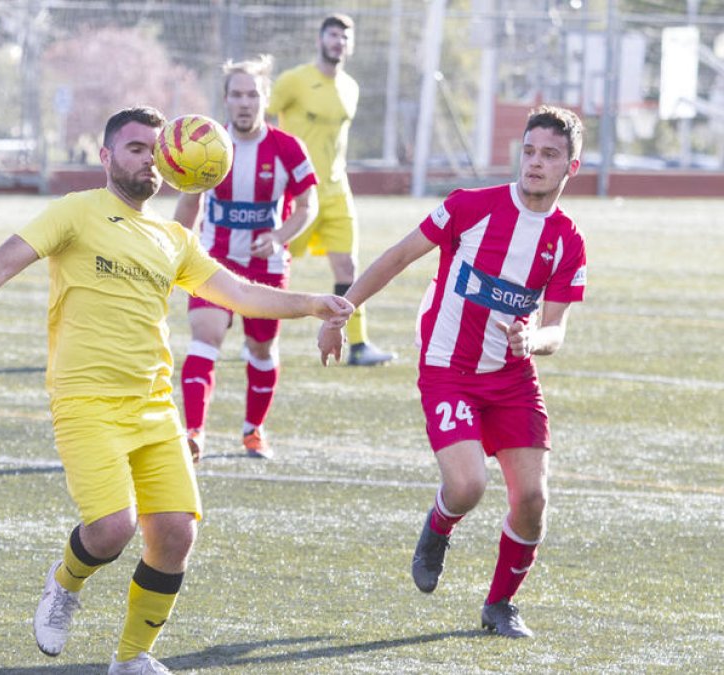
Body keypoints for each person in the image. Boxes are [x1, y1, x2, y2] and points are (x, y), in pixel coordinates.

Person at [0, 106, 352, 674]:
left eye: (156, 149)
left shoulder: (173, 237)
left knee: (176, 533)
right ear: (106, 157)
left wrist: (311, 303)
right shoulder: (76, 212)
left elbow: (239, 293)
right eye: (135, 148)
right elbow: (7, 259)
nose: (149, 158)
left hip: (154, 404)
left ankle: (131, 658)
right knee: (111, 529)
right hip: (85, 399)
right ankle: (64, 584)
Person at [317, 106, 588, 638]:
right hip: (449, 369)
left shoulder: (567, 240)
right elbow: (397, 258)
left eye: (550, 155)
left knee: (532, 500)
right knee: (467, 486)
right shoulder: (471, 207)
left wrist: (533, 339)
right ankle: (439, 525)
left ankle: (500, 606)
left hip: (512, 378)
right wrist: (340, 312)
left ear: (570, 167)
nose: (535, 163)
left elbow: (556, 329)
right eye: (529, 151)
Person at [174, 55, 319, 461]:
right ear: (225, 99)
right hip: (214, 258)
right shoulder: (209, 146)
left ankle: (253, 431)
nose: (244, 102)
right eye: (236, 94)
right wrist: (178, 249)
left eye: (252, 94)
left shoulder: (287, 147)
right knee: (205, 337)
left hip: (266, 267)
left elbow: (309, 205)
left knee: (260, 349)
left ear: (265, 98)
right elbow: (189, 202)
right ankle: (194, 433)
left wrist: (278, 237)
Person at [268, 12, 396, 366]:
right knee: (273, 263)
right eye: (332, 35)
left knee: (348, 267)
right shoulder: (294, 81)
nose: (338, 41)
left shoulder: (351, 87)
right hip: (298, 191)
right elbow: (260, 119)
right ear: (320, 40)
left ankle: (357, 344)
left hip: (338, 191)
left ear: (350, 46)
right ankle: (258, 338)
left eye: (344, 37)